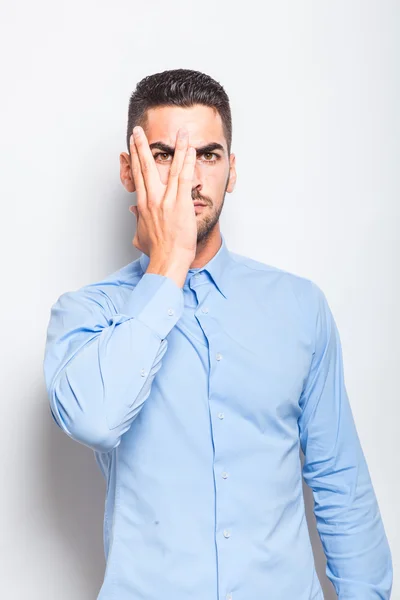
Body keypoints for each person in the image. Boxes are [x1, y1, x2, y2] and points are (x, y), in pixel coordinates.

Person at [43, 68, 392, 600]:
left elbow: (341, 484)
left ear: (231, 169)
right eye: (164, 155)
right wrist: (170, 264)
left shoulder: (300, 307)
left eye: (207, 155)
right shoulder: (88, 313)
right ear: (128, 170)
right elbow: (94, 420)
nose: (190, 178)